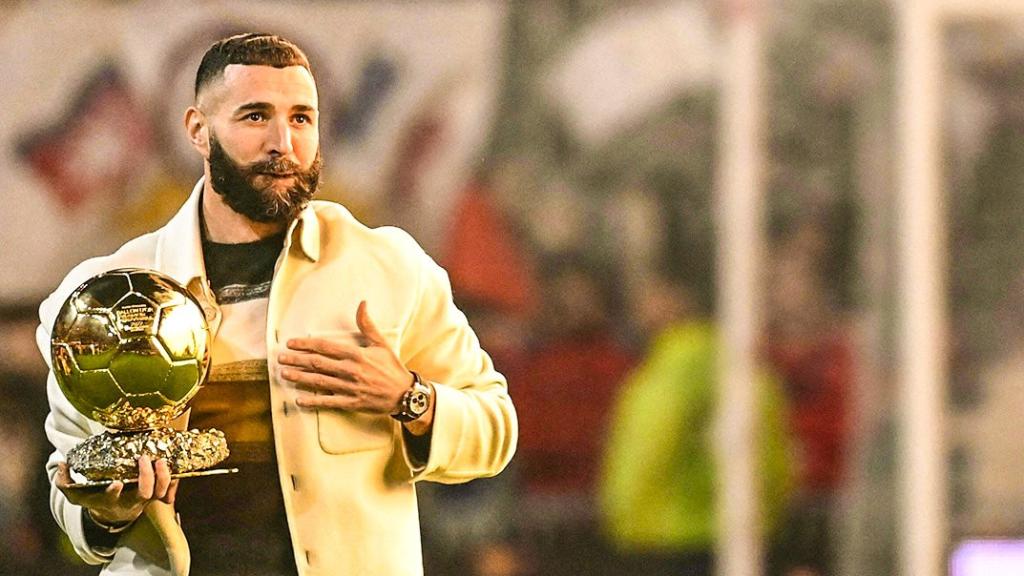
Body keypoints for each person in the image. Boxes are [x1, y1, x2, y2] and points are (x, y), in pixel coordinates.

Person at [38, 33, 517, 576]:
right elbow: (71, 484)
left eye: (301, 118)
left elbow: (495, 430)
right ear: (198, 130)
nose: (283, 142)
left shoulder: (389, 267)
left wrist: (409, 398)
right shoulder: (103, 295)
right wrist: (106, 511)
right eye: (255, 116)